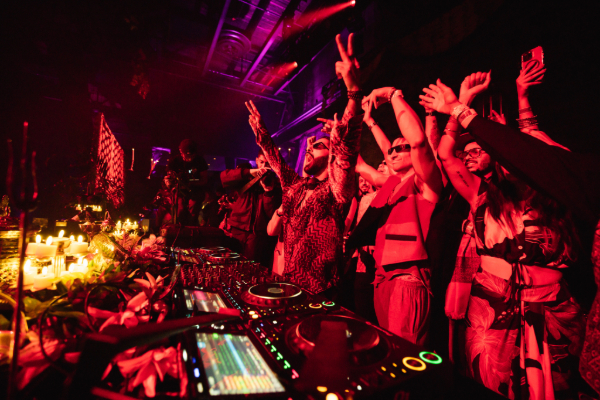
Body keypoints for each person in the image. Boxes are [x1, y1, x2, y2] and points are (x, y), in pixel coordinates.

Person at [421, 78, 586, 399]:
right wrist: (457, 108)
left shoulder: (554, 193)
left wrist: (522, 100)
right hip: (492, 303)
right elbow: (445, 155)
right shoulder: (481, 194)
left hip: (551, 306)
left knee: (557, 388)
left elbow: (549, 152)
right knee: (490, 384)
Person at [245, 33, 362, 296]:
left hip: (323, 291)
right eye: (309, 146)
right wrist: (261, 132)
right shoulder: (295, 186)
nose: (309, 148)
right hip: (289, 283)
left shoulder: (336, 191)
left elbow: (346, 151)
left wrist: (354, 94)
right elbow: (275, 159)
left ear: (331, 156)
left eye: (318, 146)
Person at [349, 84, 443, 345]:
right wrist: (352, 127)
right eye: (391, 150)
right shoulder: (391, 185)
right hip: (382, 277)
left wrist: (393, 96)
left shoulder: (425, 182)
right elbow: (359, 165)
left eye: (401, 148)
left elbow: (418, 141)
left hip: (407, 278)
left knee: (404, 353)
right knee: (386, 349)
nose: (392, 152)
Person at [219, 150, 282, 267]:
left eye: (268, 163)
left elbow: (270, 214)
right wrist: (250, 172)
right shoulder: (247, 176)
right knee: (230, 265)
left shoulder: (275, 184)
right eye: (262, 162)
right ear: (257, 161)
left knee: (249, 268)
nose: (264, 166)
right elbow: (224, 177)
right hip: (237, 230)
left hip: (256, 235)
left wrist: (268, 192)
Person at [166, 139, 209, 225]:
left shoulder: (200, 161)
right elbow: (168, 177)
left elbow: (204, 180)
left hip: (196, 191)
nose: (189, 158)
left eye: (192, 156)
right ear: (181, 151)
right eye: (187, 155)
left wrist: (191, 183)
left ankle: (191, 229)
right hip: (179, 191)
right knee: (179, 212)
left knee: (193, 212)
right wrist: (169, 183)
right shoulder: (174, 161)